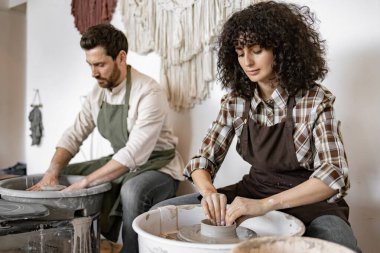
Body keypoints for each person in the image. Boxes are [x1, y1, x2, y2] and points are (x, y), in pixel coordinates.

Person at [153, 1, 361, 252]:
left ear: (282, 49)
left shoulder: (314, 100)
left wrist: (265, 205)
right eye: (240, 53)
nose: (247, 61)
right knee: (158, 214)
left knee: (342, 243)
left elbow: (333, 174)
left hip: (309, 201)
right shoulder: (236, 101)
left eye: (257, 50)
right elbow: (201, 161)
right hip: (254, 190)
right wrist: (209, 192)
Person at [28, 23, 184, 253]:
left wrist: (86, 184)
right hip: (123, 161)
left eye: (100, 64)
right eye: (90, 65)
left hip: (159, 166)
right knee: (67, 175)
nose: (93, 72)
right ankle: (80, 244)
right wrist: (52, 173)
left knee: (131, 190)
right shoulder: (97, 93)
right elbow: (75, 133)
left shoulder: (149, 92)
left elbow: (134, 153)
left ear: (121, 58)